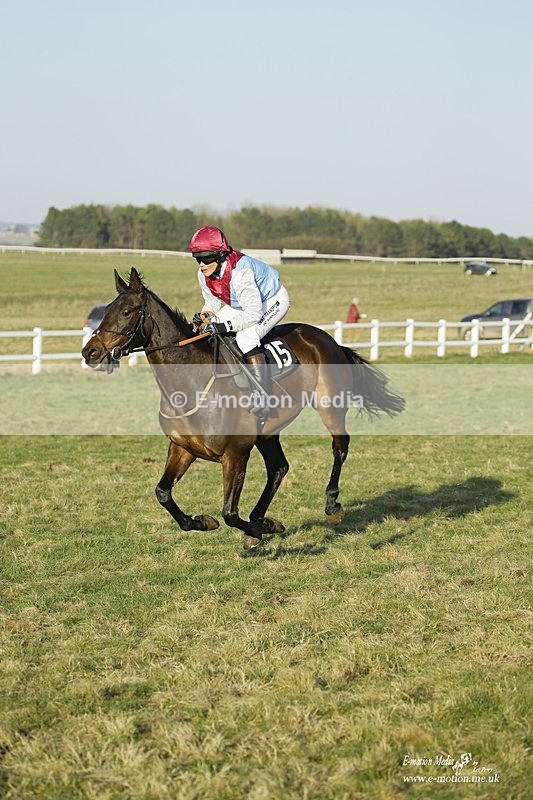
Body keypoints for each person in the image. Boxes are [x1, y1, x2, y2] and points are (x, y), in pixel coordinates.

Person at [188, 226, 290, 417]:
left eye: (207, 257)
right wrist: (205, 316)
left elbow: (253, 314)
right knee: (207, 331)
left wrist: (224, 325)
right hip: (243, 303)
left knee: (246, 338)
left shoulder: (240, 273)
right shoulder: (203, 274)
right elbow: (212, 301)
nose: (202, 264)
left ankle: (263, 395)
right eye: (198, 258)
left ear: (220, 255)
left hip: (271, 299)